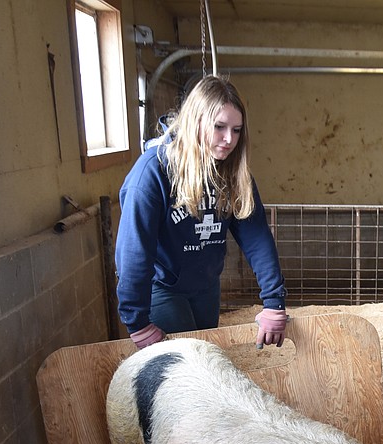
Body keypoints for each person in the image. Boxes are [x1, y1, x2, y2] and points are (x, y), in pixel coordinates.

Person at [115, 76, 288, 350]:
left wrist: (274, 302)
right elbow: (134, 249)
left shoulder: (233, 173)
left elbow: (257, 238)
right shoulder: (153, 172)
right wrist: (137, 323)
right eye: (219, 127)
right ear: (196, 121)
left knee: (206, 358)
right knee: (187, 364)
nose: (229, 139)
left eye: (237, 129)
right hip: (163, 288)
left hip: (206, 286)